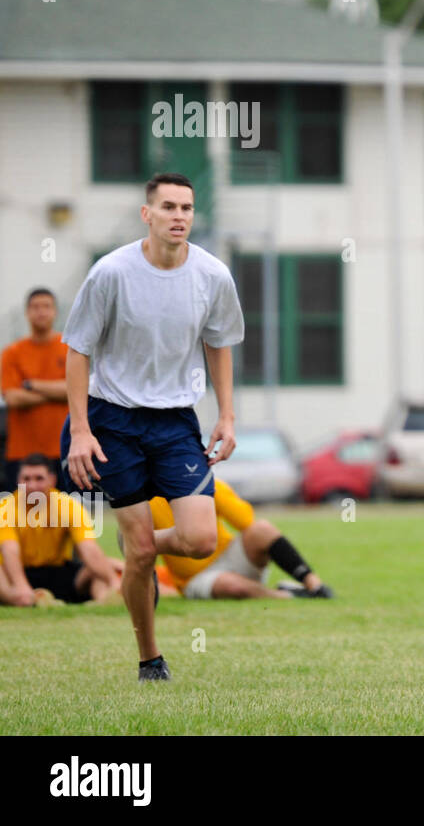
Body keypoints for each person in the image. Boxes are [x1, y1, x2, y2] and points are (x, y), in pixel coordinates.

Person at [61, 172, 246, 680]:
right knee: (142, 550)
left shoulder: (212, 275)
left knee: (201, 539)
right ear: (148, 215)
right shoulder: (111, 272)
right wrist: (81, 430)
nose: (179, 216)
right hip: (113, 420)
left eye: (186, 208)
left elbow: (219, 342)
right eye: (168, 207)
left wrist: (226, 414)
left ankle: (138, 545)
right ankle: (150, 658)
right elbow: (77, 349)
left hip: (174, 422)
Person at [150, 478, 333, 600]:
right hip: (196, 578)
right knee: (230, 585)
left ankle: (314, 585)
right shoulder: (148, 499)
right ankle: (285, 595)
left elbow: (245, 520)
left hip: (228, 555)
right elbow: (141, 548)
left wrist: (213, 488)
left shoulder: (200, 483)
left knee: (261, 528)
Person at [0, 453, 121, 605]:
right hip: (18, 571)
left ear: (52, 480)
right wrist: (22, 586)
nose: (32, 485)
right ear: (18, 481)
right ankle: (22, 599)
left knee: (97, 570)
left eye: (39, 478)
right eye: (26, 479)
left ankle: (105, 599)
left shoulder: (67, 505)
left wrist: (113, 582)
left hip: (58, 572)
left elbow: (88, 548)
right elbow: (9, 550)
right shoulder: (5, 508)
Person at [2, 289, 69, 494]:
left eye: (46, 306)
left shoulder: (69, 349)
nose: (41, 312)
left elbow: (75, 390)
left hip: (64, 448)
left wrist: (31, 385)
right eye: (35, 307)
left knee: (66, 518)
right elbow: (13, 398)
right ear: (27, 313)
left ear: (55, 312)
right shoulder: (13, 353)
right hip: (22, 451)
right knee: (22, 519)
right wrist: (56, 391)